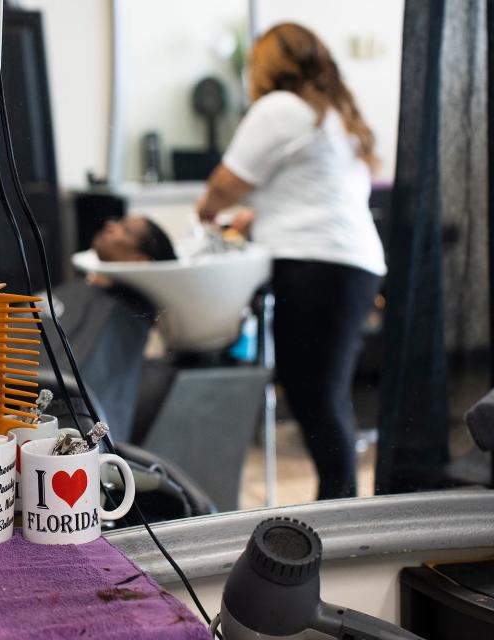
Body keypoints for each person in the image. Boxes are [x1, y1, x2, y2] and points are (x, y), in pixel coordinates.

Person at [196, 23, 386, 500]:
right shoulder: (333, 116)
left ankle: (338, 507)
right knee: (325, 393)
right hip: (350, 263)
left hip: (315, 265)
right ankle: (338, 502)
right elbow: (315, 194)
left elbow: (224, 184)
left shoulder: (279, 109)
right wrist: (256, 216)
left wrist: (207, 212)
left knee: (315, 396)